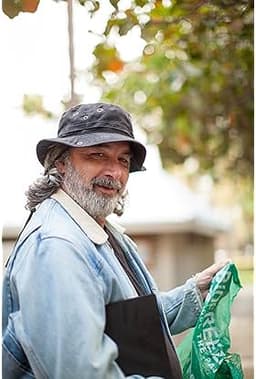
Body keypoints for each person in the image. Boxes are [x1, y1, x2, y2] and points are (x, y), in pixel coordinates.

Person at [2, 103, 228, 379]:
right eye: (97, 155)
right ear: (60, 163)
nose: (115, 173)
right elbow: (82, 373)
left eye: (123, 160)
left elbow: (124, 323)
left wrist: (194, 294)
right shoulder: (57, 246)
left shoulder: (99, 229)